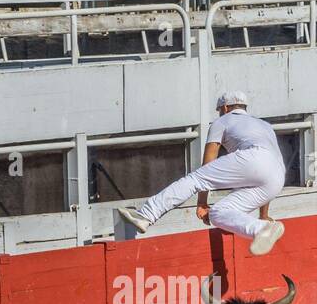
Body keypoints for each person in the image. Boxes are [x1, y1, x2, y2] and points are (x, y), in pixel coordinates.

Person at [119, 91, 286, 256]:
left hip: (253, 158)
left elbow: (209, 160)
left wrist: (202, 202)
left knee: (194, 179)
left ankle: (146, 214)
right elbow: (267, 169)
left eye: (219, 110)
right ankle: (261, 228)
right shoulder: (265, 125)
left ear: (225, 107)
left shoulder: (222, 121)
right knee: (219, 213)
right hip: (278, 175)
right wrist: (264, 215)